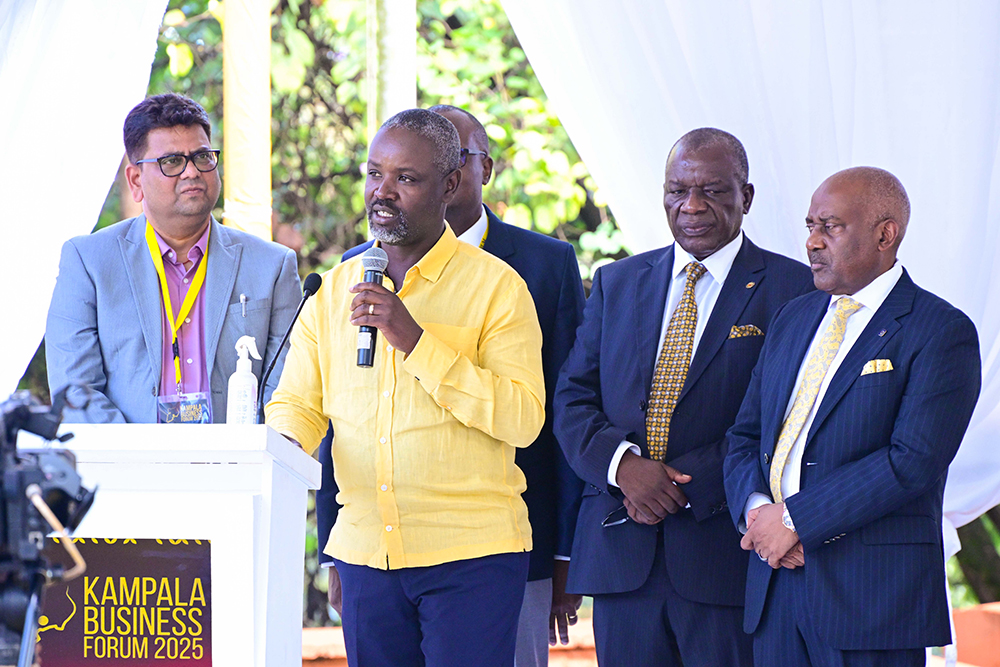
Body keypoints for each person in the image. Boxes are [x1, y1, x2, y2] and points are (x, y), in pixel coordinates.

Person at [266, 108, 545, 667]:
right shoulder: (333, 289)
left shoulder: (497, 288)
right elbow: (297, 405)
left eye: (405, 178)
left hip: (471, 556)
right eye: (374, 174)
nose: (382, 192)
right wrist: (277, 452)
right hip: (367, 552)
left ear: (450, 185)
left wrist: (414, 340)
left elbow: (523, 417)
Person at [554, 128, 814, 666]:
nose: (691, 206)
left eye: (713, 191)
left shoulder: (794, 289)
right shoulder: (617, 281)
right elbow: (572, 399)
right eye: (678, 190)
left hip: (725, 554)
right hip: (622, 553)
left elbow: (789, 418)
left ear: (746, 197)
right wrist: (624, 468)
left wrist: (681, 487)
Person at [724, 167, 981, 666]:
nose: (812, 243)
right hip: (775, 586)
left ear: (886, 234)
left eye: (830, 227)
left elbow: (912, 461)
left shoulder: (940, 330)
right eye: (809, 226)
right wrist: (760, 516)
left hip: (870, 600)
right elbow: (746, 434)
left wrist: (796, 520)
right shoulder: (794, 317)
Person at [45, 93, 301, 423]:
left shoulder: (272, 266)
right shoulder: (88, 262)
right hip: (129, 469)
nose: (192, 171)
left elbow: (289, 390)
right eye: (172, 162)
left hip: (237, 469)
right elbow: (75, 392)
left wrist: (245, 460)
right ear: (136, 180)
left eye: (202, 156)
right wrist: (147, 462)